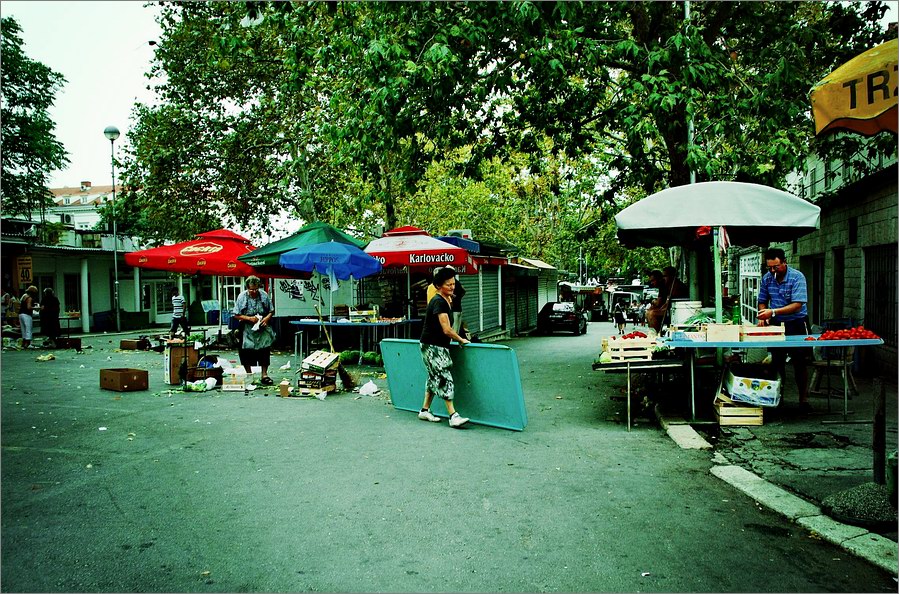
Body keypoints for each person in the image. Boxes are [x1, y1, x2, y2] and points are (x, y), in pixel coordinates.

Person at [757, 247, 812, 413]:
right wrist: (764, 315)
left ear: (784, 262)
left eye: (776, 267)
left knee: (800, 363)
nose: (773, 271)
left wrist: (772, 312)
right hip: (776, 324)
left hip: (797, 322)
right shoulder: (767, 279)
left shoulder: (797, 277)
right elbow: (762, 300)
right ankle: (778, 397)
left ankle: (803, 399)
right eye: (770, 268)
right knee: (777, 361)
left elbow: (797, 305)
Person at [418, 266, 471, 428]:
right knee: (444, 376)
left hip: (434, 344)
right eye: (449, 285)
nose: (452, 287)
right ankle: (453, 415)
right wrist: (461, 339)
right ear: (439, 286)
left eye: (453, 284)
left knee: (434, 377)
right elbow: (447, 329)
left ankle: (424, 410)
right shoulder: (439, 302)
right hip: (433, 346)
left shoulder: (446, 299)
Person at [232, 276, 276, 385]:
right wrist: (249, 318)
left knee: (264, 350)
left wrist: (266, 318)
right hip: (247, 328)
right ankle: (249, 375)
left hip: (262, 326)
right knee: (246, 352)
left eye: (256, 289)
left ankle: (264, 375)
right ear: (247, 288)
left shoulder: (264, 295)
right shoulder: (242, 297)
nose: (254, 291)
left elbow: (271, 310)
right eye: (252, 289)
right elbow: (236, 315)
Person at [644, 269, 667, 334]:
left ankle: (656, 333)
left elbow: (658, 303)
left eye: (653, 281)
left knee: (651, 314)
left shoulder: (663, 286)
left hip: (667, 310)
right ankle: (653, 331)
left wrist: (653, 301)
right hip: (664, 308)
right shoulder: (662, 287)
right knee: (648, 312)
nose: (652, 283)